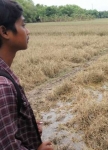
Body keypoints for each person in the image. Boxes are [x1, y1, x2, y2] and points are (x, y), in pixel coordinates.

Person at [0, 0, 53, 149]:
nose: (28, 31)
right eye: (23, 25)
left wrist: (27, 127)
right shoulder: (3, 87)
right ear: (5, 32)